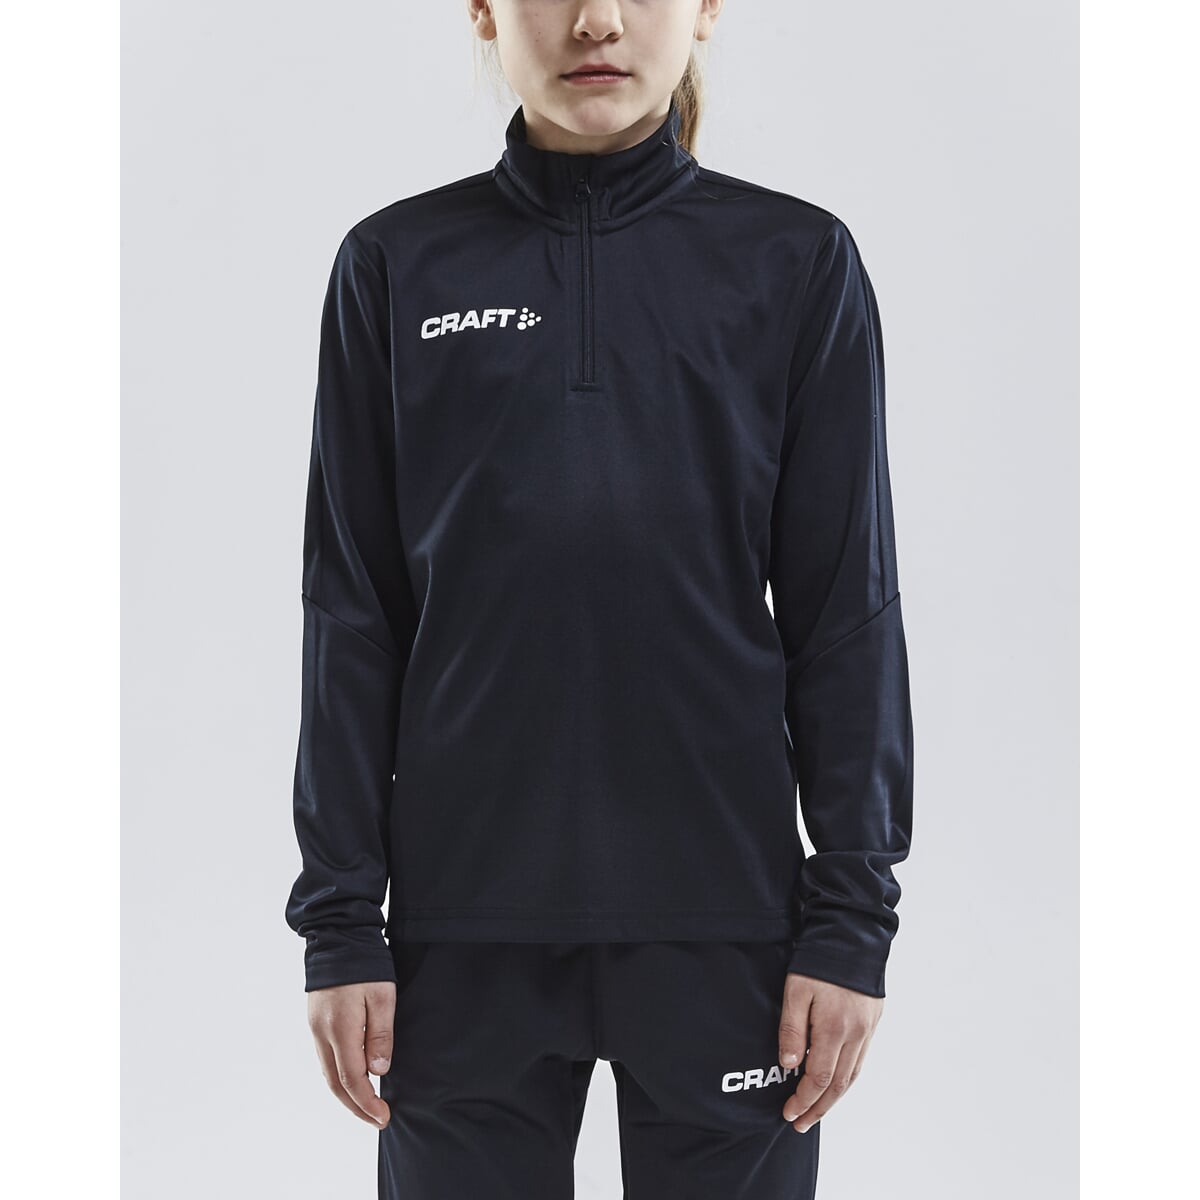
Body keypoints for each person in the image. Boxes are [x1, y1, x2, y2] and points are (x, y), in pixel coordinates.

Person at [284, 2, 915, 1196]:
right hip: (458, 931)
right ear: (482, 10)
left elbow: (846, 616)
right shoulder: (396, 265)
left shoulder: (795, 263)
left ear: (707, 11)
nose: (597, 21)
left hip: (728, 924)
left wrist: (850, 923)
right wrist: (341, 921)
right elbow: (353, 616)